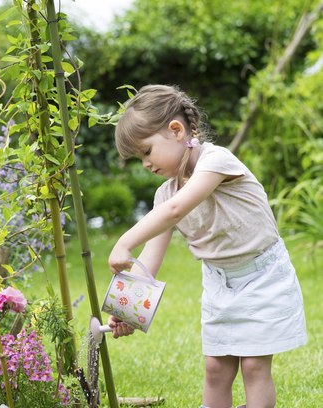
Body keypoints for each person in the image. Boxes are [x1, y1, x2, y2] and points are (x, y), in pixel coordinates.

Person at [107, 84, 307, 408]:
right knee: (216, 369)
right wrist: (126, 311)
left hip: (263, 276)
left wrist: (124, 241)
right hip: (218, 283)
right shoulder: (165, 194)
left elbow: (176, 211)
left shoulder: (216, 161)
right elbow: (149, 260)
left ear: (175, 130)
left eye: (146, 151)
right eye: (138, 158)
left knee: (254, 366)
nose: (144, 163)